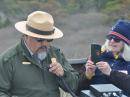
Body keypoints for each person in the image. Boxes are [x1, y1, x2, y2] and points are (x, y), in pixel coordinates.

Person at [0, 11, 79, 97]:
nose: (45, 44)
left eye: (49, 40)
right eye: (39, 40)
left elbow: (74, 86)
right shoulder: (8, 59)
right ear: (26, 36)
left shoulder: (56, 54)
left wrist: (63, 73)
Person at [76, 20, 130, 96]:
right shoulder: (97, 57)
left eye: (117, 39)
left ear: (126, 43)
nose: (111, 41)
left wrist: (111, 73)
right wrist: (87, 75)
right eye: (110, 37)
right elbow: (77, 90)